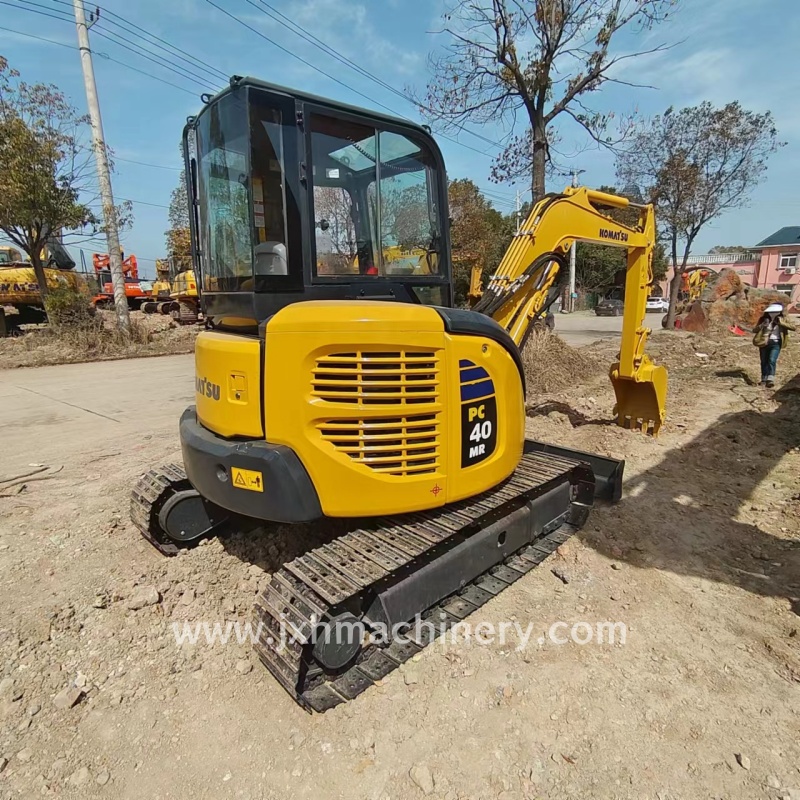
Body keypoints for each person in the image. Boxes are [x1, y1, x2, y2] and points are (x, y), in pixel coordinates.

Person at [752, 303, 796, 387]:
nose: (773, 313)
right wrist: (762, 325)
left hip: (776, 342)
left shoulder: (783, 319)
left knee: (772, 360)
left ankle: (770, 379)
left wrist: (781, 323)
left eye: (775, 311)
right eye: (771, 312)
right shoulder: (763, 319)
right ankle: (764, 379)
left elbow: (793, 327)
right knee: (764, 361)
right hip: (764, 342)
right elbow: (754, 330)